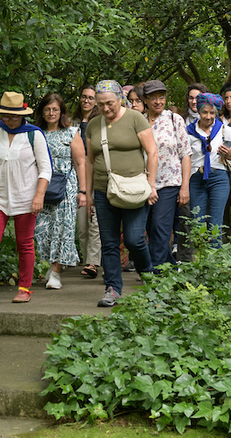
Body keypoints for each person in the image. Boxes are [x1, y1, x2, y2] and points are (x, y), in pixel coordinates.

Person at [0, 92, 52, 303]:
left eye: (12, 117)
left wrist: (39, 195)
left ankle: (24, 289)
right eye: (4, 116)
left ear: (22, 115)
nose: (7, 120)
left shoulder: (34, 134)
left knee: (24, 243)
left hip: (26, 197)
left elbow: (45, 169)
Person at [84, 80, 158, 307]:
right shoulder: (93, 125)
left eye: (110, 104)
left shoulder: (136, 119)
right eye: (101, 104)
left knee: (135, 239)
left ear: (120, 99)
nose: (106, 109)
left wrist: (151, 185)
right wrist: (87, 194)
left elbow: (152, 151)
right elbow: (89, 160)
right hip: (103, 191)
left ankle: (148, 276)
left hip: (134, 190)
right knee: (109, 242)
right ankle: (113, 288)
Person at [33, 93, 86, 290]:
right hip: (41, 186)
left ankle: (56, 271)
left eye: (55, 109)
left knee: (62, 229)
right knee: (42, 229)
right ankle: (48, 263)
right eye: (47, 109)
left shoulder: (71, 133)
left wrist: (83, 191)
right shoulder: (36, 133)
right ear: (42, 112)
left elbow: (81, 163)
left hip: (66, 186)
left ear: (62, 112)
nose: (51, 113)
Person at [142, 80, 193, 266]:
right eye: (153, 98)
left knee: (160, 229)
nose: (158, 101)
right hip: (143, 183)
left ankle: (154, 275)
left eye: (161, 97)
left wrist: (184, 187)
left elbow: (185, 154)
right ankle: (169, 269)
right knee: (147, 229)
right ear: (145, 100)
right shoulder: (138, 120)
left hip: (169, 183)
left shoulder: (174, 119)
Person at [186, 93, 231, 248]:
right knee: (197, 222)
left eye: (212, 113)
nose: (208, 116)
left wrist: (229, 155)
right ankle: (201, 261)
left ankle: (215, 265)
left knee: (215, 223)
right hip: (196, 178)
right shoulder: (188, 132)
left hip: (219, 177)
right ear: (198, 112)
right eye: (205, 112)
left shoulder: (224, 130)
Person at [73, 84, 101, 279]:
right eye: (84, 97)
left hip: (96, 173)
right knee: (82, 223)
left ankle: (93, 261)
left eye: (91, 98)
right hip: (75, 175)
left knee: (96, 221)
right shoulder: (71, 121)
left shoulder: (100, 121)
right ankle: (86, 259)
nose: (86, 100)